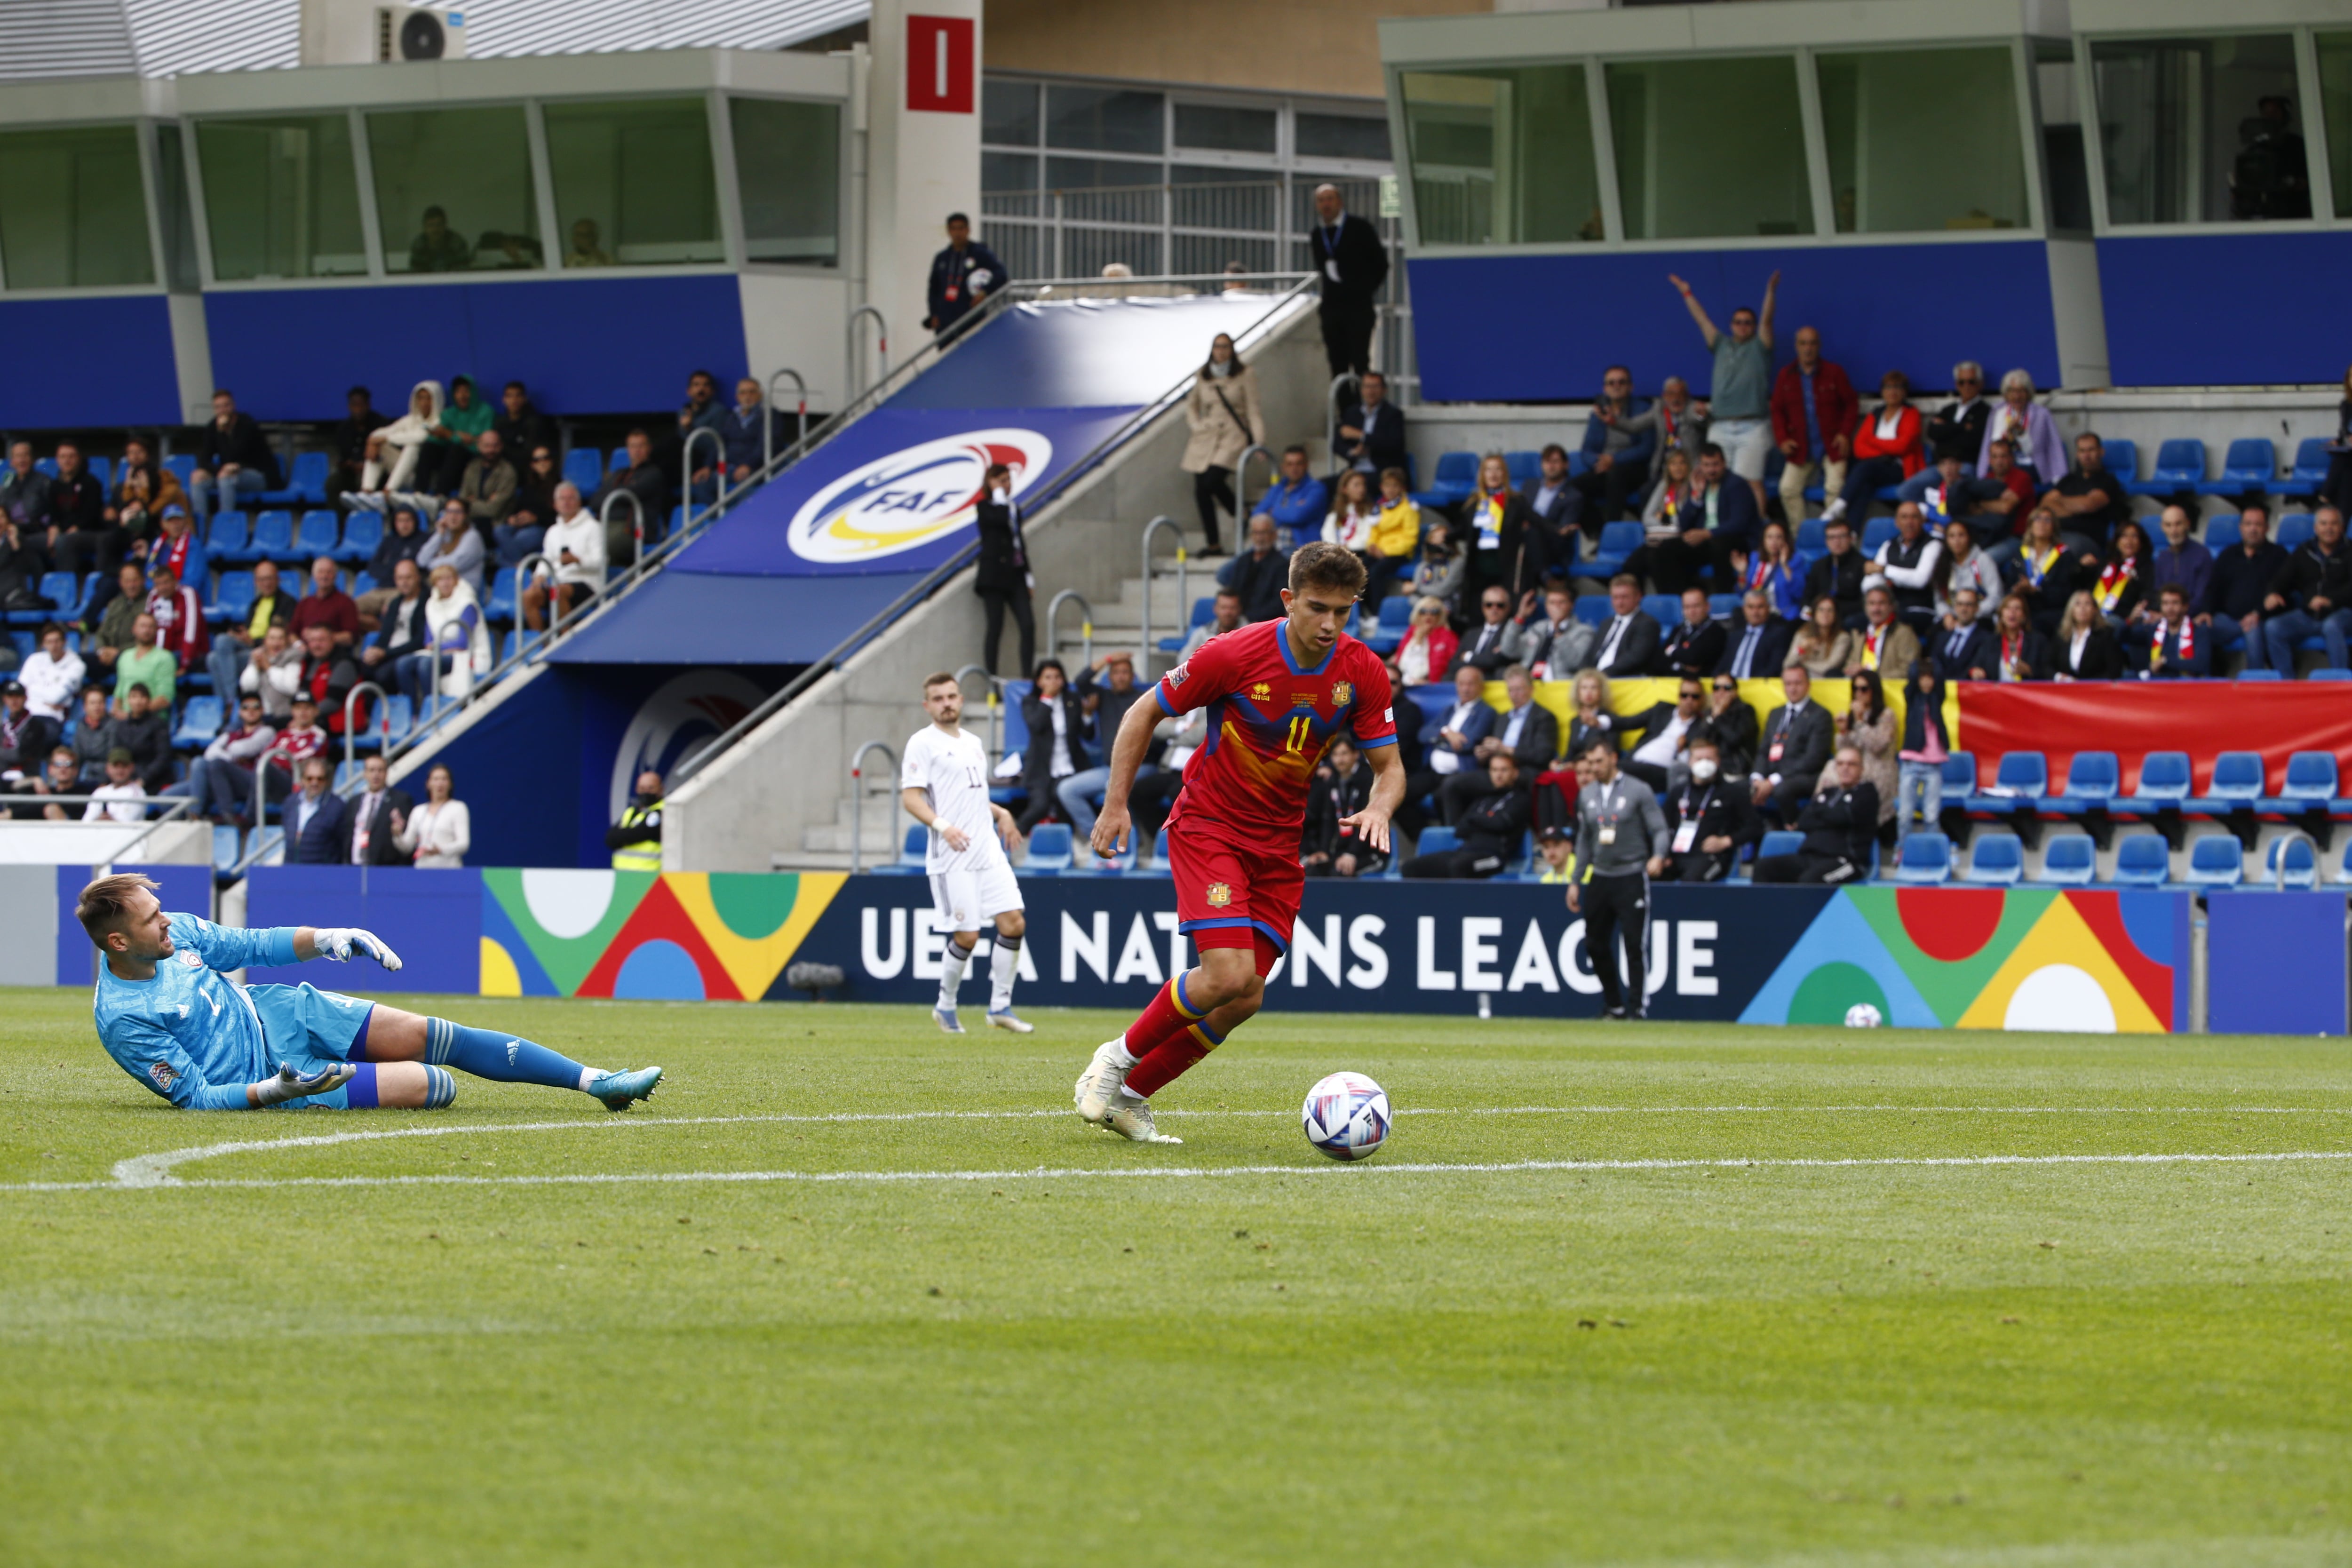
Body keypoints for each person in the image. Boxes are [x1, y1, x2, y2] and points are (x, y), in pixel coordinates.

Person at [1076, 543, 1401, 1142]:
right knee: (1224, 975)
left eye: (1343, 611)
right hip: (1211, 824)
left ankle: (1130, 1097)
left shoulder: (1361, 669)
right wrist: (1116, 804)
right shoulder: (1234, 652)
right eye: (1316, 608)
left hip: (1277, 847)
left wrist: (1381, 803)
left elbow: (1390, 765)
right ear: (1287, 600)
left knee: (1244, 996)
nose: (1330, 624)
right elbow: (1141, 714)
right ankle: (1113, 1061)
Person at [81, 871, 660, 1111]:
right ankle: (335, 1080)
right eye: (151, 918)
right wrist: (271, 1091)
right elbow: (199, 1099)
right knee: (435, 1086)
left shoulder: (176, 932)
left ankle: (596, 1082)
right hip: (278, 1074)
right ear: (116, 940)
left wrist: (331, 936)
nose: (166, 921)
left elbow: (253, 945)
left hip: (282, 1011)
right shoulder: (123, 1018)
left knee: (429, 1035)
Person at [900, 672, 1032, 1033]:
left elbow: (971, 796)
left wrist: (1002, 813)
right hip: (952, 852)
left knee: (1014, 922)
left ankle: (1001, 1006)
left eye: (952, 696)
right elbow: (911, 798)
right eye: (939, 698)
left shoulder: (973, 742)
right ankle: (945, 1005)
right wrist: (944, 826)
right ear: (928, 705)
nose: (947, 703)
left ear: (961, 700)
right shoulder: (922, 743)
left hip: (987, 848)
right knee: (968, 935)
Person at [1566, 734, 1668, 1020]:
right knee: (1594, 944)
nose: (1595, 768)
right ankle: (1614, 1004)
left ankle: (1637, 1007)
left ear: (1613, 758)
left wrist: (1658, 855)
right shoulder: (1586, 794)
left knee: (1634, 944)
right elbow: (1585, 841)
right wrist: (1576, 880)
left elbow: (1659, 829)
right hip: (1600, 875)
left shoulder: (1638, 790)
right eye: (1590, 763)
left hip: (1631, 874)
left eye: (1599, 761)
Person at [1668, 269, 1777, 510]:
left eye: (1748, 323)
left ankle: (1756, 534)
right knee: (1712, 481)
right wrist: (1687, 293)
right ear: (1731, 325)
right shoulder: (1721, 345)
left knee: (1750, 483)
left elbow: (1768, 320)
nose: (1743, 326)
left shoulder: (1761, 348)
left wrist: (1770, 292)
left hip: (1753, 426)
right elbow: (1702, 319)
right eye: (1738, 322)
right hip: (1720, 425)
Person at [1180, 334, 1264, 556]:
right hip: (1206, 435)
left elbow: (1253, 410)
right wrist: (1196, 425)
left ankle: (1242, 512)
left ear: (1232, 349)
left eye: (1226, 347)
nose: (1221, 351)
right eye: (1218, 347)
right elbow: (1192, 405)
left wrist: (1259, 442)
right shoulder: (1204, 374)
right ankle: (1213, 544)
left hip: (1232, 433)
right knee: (1201, 490)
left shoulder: (1245, 373)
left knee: (1213, 479)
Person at [1631, 443, 1756, 594]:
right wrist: (1695, 497)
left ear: (1724, 464)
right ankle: (1679, 599)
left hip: (1732, 541)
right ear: (1700, 466)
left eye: (1715, 465)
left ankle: (1725, 597)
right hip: (1705, 541)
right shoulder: (1700, 484)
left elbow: (1739, 523)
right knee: (1661, 551)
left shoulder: (1736, 484)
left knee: (1719, 545)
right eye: (1707, 465)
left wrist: (1707, 534)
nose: (1711, 470)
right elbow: (1683, 524)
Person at [1439, 663, 1554, 825]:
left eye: (1519, 689)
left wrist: (1506, 750)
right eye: (1511, 690)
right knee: (1451, 785)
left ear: (1531, 689)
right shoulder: (1503, 718)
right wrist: (1484, 754)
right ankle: (1457, 835)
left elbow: (1543, 755)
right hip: (1495, 770)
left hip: (1522, 771)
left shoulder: (1543, 717)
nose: (1515, 694)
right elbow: (1494, 748)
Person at [1059, 653, 1151, 844]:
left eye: (1126, 672)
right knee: (1067, 790)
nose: (1121, 677)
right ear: (1109, 677)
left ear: (1133, 676)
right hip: (1110, 769)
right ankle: (1099, 840)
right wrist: (1108, 659)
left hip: (1142, 767)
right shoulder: (1104, 696)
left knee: (1115, 786)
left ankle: (1132, 842)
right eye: (1116, 672)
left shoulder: (1145, 699)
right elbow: (1080, 681)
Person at [1752, 746, 1877, 883]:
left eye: (1851, 764)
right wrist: (1832, 815)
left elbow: (1842, 816)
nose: (1845, 768)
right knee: (1763, 867)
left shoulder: (1867, 794)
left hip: (1846, 861)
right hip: (1810, 857)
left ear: (1862, 769)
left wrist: (1822, 813)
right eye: (1840, 764)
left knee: (1811, 880)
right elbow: (1804, 821)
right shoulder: (1827, 792)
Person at [1771, 326, 1856, 522]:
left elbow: (1851, 404)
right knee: (1787, 489)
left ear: (1819, 346)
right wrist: (1782, 439)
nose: (1808, 348)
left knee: (1835, 490)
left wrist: (1844, 434)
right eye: (1803, 343)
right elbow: (1777, 410)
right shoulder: (1786, 375)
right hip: (1801, 447)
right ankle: (1802, 537)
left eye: (1812, 343)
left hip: (1831, 445)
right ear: (1796, 346)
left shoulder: (1834, 372)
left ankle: (1835, 537)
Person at [1405, 752, 1529, 880]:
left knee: (1459, 866)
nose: (1499, 775)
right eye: (1495, 770)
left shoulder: (1520, 799)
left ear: (1515, 773)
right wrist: (1485, 821)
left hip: (1494, 857)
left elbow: (1500, 823)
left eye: (1504, 770)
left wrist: (1475, 820)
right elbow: (1461, 830)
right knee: (1411, 867)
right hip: (1465, 852)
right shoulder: (1483, 799)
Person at [1308, 183, 1389, 378]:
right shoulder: (1318, 235)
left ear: (1340, 202)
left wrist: (1364, 290)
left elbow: (1381, 264)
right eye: (1321, 201)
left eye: (1330, 199)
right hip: (1332, 308)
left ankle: (1363, 406)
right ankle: (1344, 407)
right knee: (1337, 363)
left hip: (1358, 307)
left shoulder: (1360, 228)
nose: (1326, 205)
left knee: (1360, 360)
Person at [2262, 504, 2352, 674]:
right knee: (2273, 627)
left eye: (2333, 524)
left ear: (2342, 527)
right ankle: (2287, 686)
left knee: (2332, 626)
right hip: (2309, 615)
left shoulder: (2350, 551)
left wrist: (2330, 600)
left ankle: (2341, 684)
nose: (2329, 529)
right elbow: (2283, 577)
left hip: (2344, 613)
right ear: (2316, 528)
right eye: (2324, 524)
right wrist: (2273, 593)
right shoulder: (2304, 551)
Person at [1825, 370, 1923, 526]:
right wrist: (1887, 448)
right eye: (1888, 387)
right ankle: (1852, 533)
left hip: (1899, 469)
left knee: (1865, 468)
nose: (1893, 392)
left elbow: (1903, 447)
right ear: (1882, 391)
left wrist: (1874, 441)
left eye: (1898, 387)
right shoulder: (1876, 414)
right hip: (1876, 468)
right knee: (1864, 486)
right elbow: (1859, 448)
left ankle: (1840, 504)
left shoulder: (1911, 413)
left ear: (1905, 392)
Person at [1659, 735, 1758, 883]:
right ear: (1690, 761)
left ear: (1718, 761)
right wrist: (1661, 855)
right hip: (1677, 855)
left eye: (1710, 759)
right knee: (1649, 875)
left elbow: (1755, 827)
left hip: (1711, 857)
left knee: (1692, 881)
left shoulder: (1733, 793)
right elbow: (1663, 826)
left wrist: (1726, 841)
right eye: (1699, 759)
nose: (1704, 763)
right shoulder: (1678, 792)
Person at [1899, 362, 1992, 506]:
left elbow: (1973, 440)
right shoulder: (1949, 409)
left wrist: (1947, 430)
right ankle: (1935, 511)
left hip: (1965, 465)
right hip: (1939, 466)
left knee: (1959, 492)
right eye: (1962, 382)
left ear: (1980, 384)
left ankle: (1948, 513)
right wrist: (1962, 427)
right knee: (1905, 491)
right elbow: (1933, 432)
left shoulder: (1985, 411)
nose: (1966, 386)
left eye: (1971, 382)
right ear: (1956, 385)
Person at [971, 463, 1034, 677]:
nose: (1006, 485)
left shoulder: (1013, 508)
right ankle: (992, 680)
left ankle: (1027, 677)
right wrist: (998, 497)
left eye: (1008, 480)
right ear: (990, 483)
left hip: (1015, 574)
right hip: (994, 576)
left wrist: (1028, 577)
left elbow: (1018, 542)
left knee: (1028, 625)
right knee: (995, 627)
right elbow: (997, 522)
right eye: (1001, 481)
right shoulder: (985, 507)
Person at [2209, 504, 2288, 669]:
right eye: (2248, 524)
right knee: (2198, 629)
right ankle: (2202, 681)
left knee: (2254, 632)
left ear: (2267, 528)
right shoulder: (2228, 555)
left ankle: (2255, 685)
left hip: (2259, 619)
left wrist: (2259, 612)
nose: (2253, 529)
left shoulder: (2279, 555)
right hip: (2228, 620)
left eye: (2258, 525)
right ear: (2241, 528)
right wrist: (2205, 612)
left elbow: (2283, 593)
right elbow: (2213, 589)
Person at [1456, 454, 1540, 609]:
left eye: (1498, 469)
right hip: (1479, 568)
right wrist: (1442, 535)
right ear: (1482, 474)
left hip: (1506, 567)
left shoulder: (1516, 501)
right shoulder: (1474, 502)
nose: (1493, 474)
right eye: (1489, 470)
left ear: (1505, 474)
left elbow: (1538, 522)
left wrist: (1560, 530)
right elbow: (1462, 530)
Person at [520, 482, 605, 634]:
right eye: (562, 499)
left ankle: (564, 641)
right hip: (559, 583)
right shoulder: (553, 531)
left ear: (579, 502)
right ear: (555, 505)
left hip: (587, 583)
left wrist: (578, 560)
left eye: (571, 498)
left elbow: (601, 562)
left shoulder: (594, 527)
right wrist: (539, 576)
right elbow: (547, 558)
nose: (566, 502)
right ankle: (543, 646)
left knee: (558, 591)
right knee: (529, 596)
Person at [1015, 658, 1088, 835]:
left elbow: (1087, 734)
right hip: (1040, 770)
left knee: (1062, 797)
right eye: (1048, 678)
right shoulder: (1030, 702)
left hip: (1069, 767)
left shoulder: (1072, 700)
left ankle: (1067, 844)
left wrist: (1088, 715)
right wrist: (1046, 699)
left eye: (1057, 677)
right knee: (1040, 806)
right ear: (1039, 681)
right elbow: (1036, 726)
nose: (1053, 682)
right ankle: (1012, 837)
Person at [1574, 366, 1655, 524]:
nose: (1616, 386)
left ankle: (1613, 530)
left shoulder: (1644, 410)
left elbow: (1647, 448)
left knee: (1615, 476)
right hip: (1605, 469)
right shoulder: (1598, 415)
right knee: (1573, 488)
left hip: (1635, 469)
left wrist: (1614, 460)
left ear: (1631, 387)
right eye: (1611, 383)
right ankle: (1598, 533)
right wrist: (1598, 462)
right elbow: (1586, 451)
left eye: (1621, 382)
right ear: (1605, 389)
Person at [1752, 664, 1833, 820]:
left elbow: (1813, 759)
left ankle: (1792, 827)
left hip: (1803, 775)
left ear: (1808, 685)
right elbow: (1763, 751)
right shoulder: (1776, 713)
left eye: (1798, 683)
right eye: (1788, 684)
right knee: (1742, 788)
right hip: (1772, 773)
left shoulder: (1821, 715)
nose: (1793, 689)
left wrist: (1775, 780)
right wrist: (1758, 777)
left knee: (1781, 790)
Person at [187, 390, 281, 521]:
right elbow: (204, 458)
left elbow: (237, 454)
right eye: (218, 407)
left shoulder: (247, 424)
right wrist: (214, 471)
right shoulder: (212, 427)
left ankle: (225, 525)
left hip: (258, 474)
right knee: (197, 479)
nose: (223, 410)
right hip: (229, 472)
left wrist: (223, 433)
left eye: (226, 405)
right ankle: (199, 528)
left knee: (227, 478)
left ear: (233, 406)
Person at [183, 692, 274, 823]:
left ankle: (223, 816)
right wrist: (233, 758)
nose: (251, 711)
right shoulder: (232, 734)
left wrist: (226, 752)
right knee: (197, 764)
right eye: (246, 707)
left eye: (256, 707)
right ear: (239, 712)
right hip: (221, 780)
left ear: (263, 710)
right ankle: (194, 814)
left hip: (249, 781)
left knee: (217, 764)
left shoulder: (267, 731)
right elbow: (209, 753)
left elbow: (246, 749)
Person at [1303, 735, 1386, 878]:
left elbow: (1369, 822)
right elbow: (1328, 820)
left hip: (1369, 853)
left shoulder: (1368, 780)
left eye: (1344, 754)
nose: (1340, 759)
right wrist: (1324, 851)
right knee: (1313, 870)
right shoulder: (1332, 781)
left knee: (1340, 873)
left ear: (1356, 755)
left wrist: (1352, 854)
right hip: (1341, 853)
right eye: (1335, 755)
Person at [412, 561, 489, 706]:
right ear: (435, 583)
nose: (445, 583)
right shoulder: (431, 605)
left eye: (449, 578)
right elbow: (428, 641)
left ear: (456, 581)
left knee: (426, 665)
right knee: (404, 665)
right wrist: (439, 647)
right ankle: (416, 711)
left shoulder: (467, 604)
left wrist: (437, 647)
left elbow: (462, 643)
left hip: (470, 654)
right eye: (441, 579)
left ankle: (434, 708)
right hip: (445, 653)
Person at [2043, 432, 2132, 555]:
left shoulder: (2107, 481)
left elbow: (2088, 505)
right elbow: (2046, 505)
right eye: (2082, 451)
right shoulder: (2067, 480)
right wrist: (2076, 508)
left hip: (2087, 539)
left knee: (2062, 551)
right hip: (2058, 534)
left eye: (2091, 450)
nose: (2087, 456)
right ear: (2077, 454)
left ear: (2101, 452)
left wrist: (2060, 500)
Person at [923, 212, 1008, 339]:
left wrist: (985, 292)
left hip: (971, 319)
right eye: (954, 229)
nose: (958, 233)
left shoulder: (980, 253)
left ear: (968, 230)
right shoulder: (942, 258)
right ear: (948, 231)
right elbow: (933, 288)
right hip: (946, 322)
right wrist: (934, 314)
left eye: (961, 228)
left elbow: (1001, 275)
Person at [592, 429, 669, 568]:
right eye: (633, 446)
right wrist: (618, 496)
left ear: (649, 448)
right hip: (606, 525)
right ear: (628, 449)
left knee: (605, 548)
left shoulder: (654, 473)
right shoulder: (619, 474)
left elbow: (630, 496)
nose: (637, 450)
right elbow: (595, 501)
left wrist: (613, 496)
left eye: (641, 446)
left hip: (633, 529)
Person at [1838, 667, 1899, 840]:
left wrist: (1859, 722)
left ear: (1874, 690)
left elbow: (1877, 745)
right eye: (1856, 689)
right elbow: (1845, 750)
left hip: (1879, 768)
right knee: (1831, 776)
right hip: (1855, 767)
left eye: (1864, 689)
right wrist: (1843, 732)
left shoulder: (1887, 715)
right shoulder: (1853, 714)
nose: (1859, 693)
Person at [1895, 662, 1952, 840]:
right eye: (1923, 678)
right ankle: (1903, 850)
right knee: (1905, 814)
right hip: (1911, 762)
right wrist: (1918, 668)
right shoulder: (1912, 697)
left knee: (1932, 815)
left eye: (1930, 678)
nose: (1927, 682)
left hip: (1933, 764)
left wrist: (1934, 665)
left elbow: (1941, 677)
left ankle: (1931, 851)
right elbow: (1911, 678)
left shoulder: (1937, 697)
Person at [359, 382, 444, 501]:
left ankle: (388, 493)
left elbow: (420, 437)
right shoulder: (410, 420)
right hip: (405, 475)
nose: (424, 403)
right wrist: (371, 441)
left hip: (425, 480)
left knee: (413, 447)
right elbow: (383, 432)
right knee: (380, 446)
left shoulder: (441, 421)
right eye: (421, 398)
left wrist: (387, 438)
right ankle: (366, 492)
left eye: (429, 398)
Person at [1620, 676, 1705, 793]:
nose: (1689, 700)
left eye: (1695, 697)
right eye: (1684, 695)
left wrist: (1682, 749)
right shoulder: (1662, 710)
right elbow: (1628, 722)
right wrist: (1600, 721)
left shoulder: (1703, 726)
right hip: (1635, 763)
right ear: (1678, 696)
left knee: (1616, 770)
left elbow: (1692, 764)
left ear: (1702, 700)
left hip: (1663, 772)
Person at [1979, 369, 2062, 487]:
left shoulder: (2041, 414)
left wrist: (2020, 433)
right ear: (2006, 394)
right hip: (2001, 463)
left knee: (2016, 476)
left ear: (2029, 393)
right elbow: (1991, 445)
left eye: (2021, 391)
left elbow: (2041, 448)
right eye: (2012, 391)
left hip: (2029, 465)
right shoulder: (1998, 412)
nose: (2017, 396)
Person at [1870, 501, 1943, 635]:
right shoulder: (1888, 546)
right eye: (1904, 517)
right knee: (1855, 621)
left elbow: (1920, 580)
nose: (1909, 522)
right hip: (1892, 608)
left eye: (1914, 517)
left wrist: (1886, 571)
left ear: (1922, 521)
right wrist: (1885, 573)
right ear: (1897, 522)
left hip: (1922, 609)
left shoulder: (1933, 545)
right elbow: (1871, 581)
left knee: (1891, 620)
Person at [46, 443, 117, 578]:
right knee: (28, 544)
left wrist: (75, 528)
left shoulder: (91, 482)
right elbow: (53, 513)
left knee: (65, 541)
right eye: (63, 457)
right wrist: (53, 527)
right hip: (63, 532)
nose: (67, 461)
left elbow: (91, 515)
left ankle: (66, 584)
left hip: (89, 533)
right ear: (57, 460)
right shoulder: (54, 485)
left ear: (78, 458)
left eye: (71, 456)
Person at [2005, 508, 2074, 634]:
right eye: (2037, 519)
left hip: (2049, 610)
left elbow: (2065, 594)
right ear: (2030, 526)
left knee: (2035, 623)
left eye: (2047, 520)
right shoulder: (2020, 554)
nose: (2042, 523)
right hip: (2023, 606)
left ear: (2054, 527)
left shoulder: (2064, 555)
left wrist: (2037, 590)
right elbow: (2009, 586)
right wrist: (2016, 589)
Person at [110, 435, 187, 548]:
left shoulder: (165, 481)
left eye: (139, 452)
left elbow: (150, 512)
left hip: (172, 529)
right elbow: (128, 505)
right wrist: (128, 486)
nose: (135, 457)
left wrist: (144, 489)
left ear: (148, 455)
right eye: (131, 453)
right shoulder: (130, 480)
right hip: (146, 528)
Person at [1216, 513, 1293, 625]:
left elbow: (1278, 603)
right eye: (1255, 533)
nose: (1259, 538)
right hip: (1238, 622)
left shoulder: (1282, 565)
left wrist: (1249, 619)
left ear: (1274, 535)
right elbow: (1233, 591)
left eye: (1264, 533)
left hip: (1266, 625)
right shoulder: (1243, 561)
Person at [394, 763, 469, 867]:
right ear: (428, 784)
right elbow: (407, 847)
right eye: (436, 779)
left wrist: (440, 850)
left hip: (449, 870)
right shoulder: (418, 811)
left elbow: (464, 844)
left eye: (444, 779)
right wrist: (397, 835)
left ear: (450, 784)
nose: (440, 784)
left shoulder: (458, 808)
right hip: (423, 870)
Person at [1334, 370, 1406, 477]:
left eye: (1375, 387)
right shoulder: (1352, 413)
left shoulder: (1393, 414)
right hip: (1355, 471)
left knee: (1357, 488)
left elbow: (1394, 444)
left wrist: (1362, 436)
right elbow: (1337, 444)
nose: (1371, 392)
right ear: (1361, 390)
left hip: (1382, 473)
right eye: (1367, 387)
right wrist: (1352, 452)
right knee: (1323, 485)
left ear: (1384, 390)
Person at [1520, 444, 1583, 565]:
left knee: (1532, 533)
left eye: (1556, 462)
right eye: (1547, 461)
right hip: (1523, 538)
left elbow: (1563, 529)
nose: (1551, 466)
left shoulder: (1573, 496)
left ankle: (1546, 578)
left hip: (1551, 544)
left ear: (1566, 465)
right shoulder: (1529, 486)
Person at [1252, 446, 1328, 546]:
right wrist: (1289, 510)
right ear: (1284, 467)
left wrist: (1273, 511)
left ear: (1306, 465)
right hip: (1271, 545)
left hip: (1300, 547)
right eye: (1290, 464)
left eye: (1299, 464)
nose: (1294, 468)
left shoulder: (1316, 489)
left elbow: (1297, 516)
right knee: (1239, 561)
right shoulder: (1277, 489)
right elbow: (1257, 514)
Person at [2149, 504, 2213, 620]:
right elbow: (2158, 594)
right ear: (2163, 527)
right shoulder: (2162, 558)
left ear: (2187, 524)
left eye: (2178, 524)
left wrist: (2176, 615)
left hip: (2193, 617)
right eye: (2168, 525)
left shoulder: (2202, 554)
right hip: (2167, 618)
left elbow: (2201, 596)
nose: (2174, 531)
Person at [144, 563, 207, 680]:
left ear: (175, 581)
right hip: (160, 655)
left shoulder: (188, 594)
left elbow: (191, 631)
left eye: (166, 582)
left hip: (187, 655)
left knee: (158, 666)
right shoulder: (153, 596)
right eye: (158, 584)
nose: (163, 588)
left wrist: (185, 663)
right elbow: (145, 625)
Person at [2087, 518, 2154, 628]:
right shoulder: (2106, 563)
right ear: (2117, 541)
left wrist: (2134, 583)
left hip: (2122, 618)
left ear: (2141, 543)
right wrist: (2083, 567)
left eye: (2134, 536)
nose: (2129, 541)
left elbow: (2146, 596)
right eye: (2124, 536)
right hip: (2094, 614)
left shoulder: (2146, 567)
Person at [1521, 580, 1595, 679]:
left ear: (1571, 605)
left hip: (1561, 686)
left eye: (1562, 602)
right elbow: (1511, 651)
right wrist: (1520, 616)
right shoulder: (1538, 628)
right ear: (1546, 606)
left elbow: (1574, 663)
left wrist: (1558, 630)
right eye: (1552, 603)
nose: (1557, 607)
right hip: (1530, 685)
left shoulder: (1584, 632)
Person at [326, 387, 389, 503]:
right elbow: (344, 455)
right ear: (349, 406)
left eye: (361, 405)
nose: (358, 410)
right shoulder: (343, 429)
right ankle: (339, 520)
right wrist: (348, 464)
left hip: (378, 472)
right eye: (354, 405)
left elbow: (386, 453)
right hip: (351, 473)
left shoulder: (380, 424)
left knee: (364, 480)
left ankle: (368, 517)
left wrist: (364, 464)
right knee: (333, 483)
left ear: (368, 405)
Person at [2134, 584, 2210, 679]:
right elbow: (2122, 636)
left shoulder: (2199, 631)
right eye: (2165, 604)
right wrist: (2131, 620)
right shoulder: (2154, 629)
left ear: (2185, 607)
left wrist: (2165, 661)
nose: (2170, 609)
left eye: (2175, 603)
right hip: (2158, 683)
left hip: (2185, 685)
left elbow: (2201, 665)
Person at [1715, 589, 1793, 682]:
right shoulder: (1735, 636)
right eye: (1751, 607)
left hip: (1758, 689)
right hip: (1729, 689)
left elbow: (1774, 669)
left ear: (1768, 609)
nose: (1755, 612)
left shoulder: (1779, 634)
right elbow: (1723, 665)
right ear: (1744, 609)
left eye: (1760, 607)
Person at [457, 427, 518, 546]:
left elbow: (493, 510)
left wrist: (472, 502)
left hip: (494, 524)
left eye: (495, 446)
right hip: (471, 520)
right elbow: (462, 501)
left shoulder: (508, 472)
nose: (491, 450)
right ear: (479, 446)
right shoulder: (472, 467)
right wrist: (483, 503)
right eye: (487, 446)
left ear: (501, 446)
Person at [1591, 573, 1661, 678]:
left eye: (1624, 597)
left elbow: (1636, 657)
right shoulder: (1606, 623)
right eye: (1615, 598)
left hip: (1625, 679)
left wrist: (1600, 675)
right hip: (1595, 680)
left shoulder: (1648, 624)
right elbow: (1590, 654)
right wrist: (1584, 673)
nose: (1620, 603)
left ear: (1638, 597)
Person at [1934, 518, 2002, 623]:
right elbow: (1940, 600)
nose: (1957, 540)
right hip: (1953, 618)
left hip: (1981, 617)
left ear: (1969, 537)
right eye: (1952, 536)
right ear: (1946, 540)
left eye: (1961, 535)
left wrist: (1971, 614)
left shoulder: (1983, 560)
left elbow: (1996, 596)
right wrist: (1947, 615)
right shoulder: (1943, 564)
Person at [1846, 585, 1922, 679]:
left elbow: (1909, 670)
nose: (1876, 609)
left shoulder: (1904, 633)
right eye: (1872, 604)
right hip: (1861, 689)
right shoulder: (1859, 634)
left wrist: (1872, 677)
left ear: (1891, 606)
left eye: (1881, 603)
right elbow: (1850, 664)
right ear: (1865, 607)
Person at [1692, 672, 1759, 778]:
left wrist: (1718, 717)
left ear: (1735, 692)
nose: (1721, 692)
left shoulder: (1745, 711)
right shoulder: (1709, 713)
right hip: (1708, 765)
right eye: (1717, 688)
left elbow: (1734, 739)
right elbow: (1698, 742)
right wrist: (1712, 718)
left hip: (1735, 768)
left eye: (1727, 688)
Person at [417, 499, 487, 597]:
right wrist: (439, 534)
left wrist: (432, 562)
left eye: (458, 512)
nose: (453, 517)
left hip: (464, 591)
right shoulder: (445, 534)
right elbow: (422, 560)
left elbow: (454, 565)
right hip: (443, 589)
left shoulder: (473, 538)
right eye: (449, 512)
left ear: (466, 515)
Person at [1803, 517, 1867, 624]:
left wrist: (1833, 610)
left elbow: (1864, 602)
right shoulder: (1819, 565)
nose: (1837, 542)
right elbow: (1808, 596)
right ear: (1826, 542)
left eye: (1842, 537)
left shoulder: (1863, 565)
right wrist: (1809, 614)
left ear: (1851, 539)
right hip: (1820, 617)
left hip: (1846, 617)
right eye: (1832, 538)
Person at [498, 452, 557, 570]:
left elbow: (557, 518)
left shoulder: (559, 485)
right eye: (537, 460)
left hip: (541, 528)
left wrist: (536, 519)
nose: (542, 462)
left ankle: (518, 567)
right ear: (532, 465)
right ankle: (521, 566)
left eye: (546, 458)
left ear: (552, 461)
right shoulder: (528, 486)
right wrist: (513, 519)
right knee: (500, 530)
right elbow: (517, 508)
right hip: (521, 526)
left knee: (501, 557)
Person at [1456, 583, 1530, 675]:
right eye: (1489, 605)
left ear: (1508, 608)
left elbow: (1495, 660)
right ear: (1483, 607)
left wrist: (1468, 656)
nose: (1494, 609)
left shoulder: (1512, 633)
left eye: (1500, 605)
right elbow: (1454, 663)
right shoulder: (1470, 634)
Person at [2050, 589, 2124, 680]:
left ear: (2095, 610)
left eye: (2087, 604)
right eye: (2078, 604)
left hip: (2095, 690)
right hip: (2065, 690)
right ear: (2071, 610)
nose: (2082, 608)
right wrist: (2059, 677)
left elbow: (2114, 671)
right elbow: (2048, 665)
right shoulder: (2062, 634)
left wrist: (2082, 684)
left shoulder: (2105, 635)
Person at [1740, 518, 1805, 621]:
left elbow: (1797, 594)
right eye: (1769, 537)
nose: (1774, 542)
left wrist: (1784, 565)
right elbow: (1744, 593)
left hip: (1781, 614)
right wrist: (1742, 573)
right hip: (1757, 613)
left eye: (1779, 537)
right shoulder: (1756, 558)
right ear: (1763, 540)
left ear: (1785, 540)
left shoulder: (1795, 561)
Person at [286, 756, 348, 863]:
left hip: (322, 874)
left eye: (320, 779)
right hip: (291, 871)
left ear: (326, 781)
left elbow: (343, 844)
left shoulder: (337, 807)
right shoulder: (290, 803)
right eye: (310, 778)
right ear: (302, 779)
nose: (315, 783)